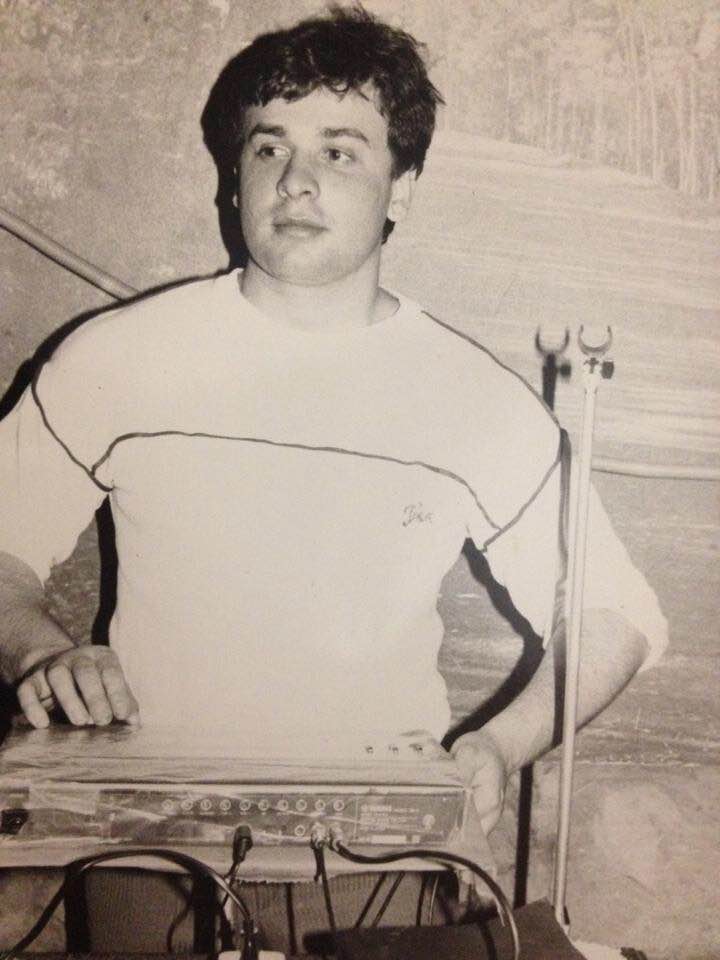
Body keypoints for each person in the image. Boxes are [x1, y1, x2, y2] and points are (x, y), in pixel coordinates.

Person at [0, 5, 666, 952]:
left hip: (374, 864)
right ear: (235, 176)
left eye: (341, 152)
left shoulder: (472, 397)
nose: (296, 180)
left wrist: (498, 746)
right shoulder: (118, 356)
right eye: (269, 147)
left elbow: (617, 613)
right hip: (147, 850)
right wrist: (39, 651)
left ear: (404, 189)